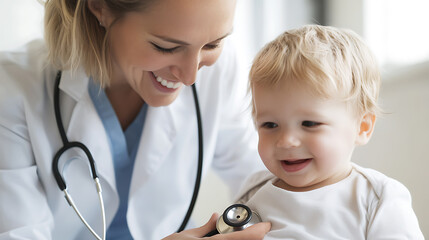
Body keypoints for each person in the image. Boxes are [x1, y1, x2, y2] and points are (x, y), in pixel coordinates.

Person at [0, 0, 270, 239]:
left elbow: (263, 181)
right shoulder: (11, 89)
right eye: (166, 47)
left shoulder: (218, 71)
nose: (190, 76)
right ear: (99, 6)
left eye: (213, 44)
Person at [233, 25, 424, 239]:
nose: (286, 141)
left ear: (362, 127)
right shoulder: (253, 192)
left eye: (309, 123)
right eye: (269, 125)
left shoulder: (377, 198)